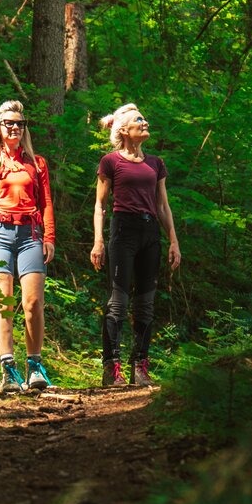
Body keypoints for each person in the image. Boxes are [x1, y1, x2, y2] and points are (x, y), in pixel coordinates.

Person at [91, 103, 181, 387]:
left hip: (150, 233)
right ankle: (112, 368)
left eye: (144, 118)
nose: (145, 122)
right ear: (124, 130)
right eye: (139, 120)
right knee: (118, 303)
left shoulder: (156, 163)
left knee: (146, 304)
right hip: (123, 231)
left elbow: (163, 205)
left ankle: (140, 366)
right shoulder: (110, 161)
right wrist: (98, 241)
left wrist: (173, 241)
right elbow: (100, 205)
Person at [0, 100, 56, 392]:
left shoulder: (36, 163)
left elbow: (46, 202)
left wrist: (49, 238)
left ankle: (35, 366)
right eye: (10, 123)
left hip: (30, 233)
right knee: (4, 303)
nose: (16, 128)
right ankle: (8, 369)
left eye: (20, 123)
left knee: (33, 303)